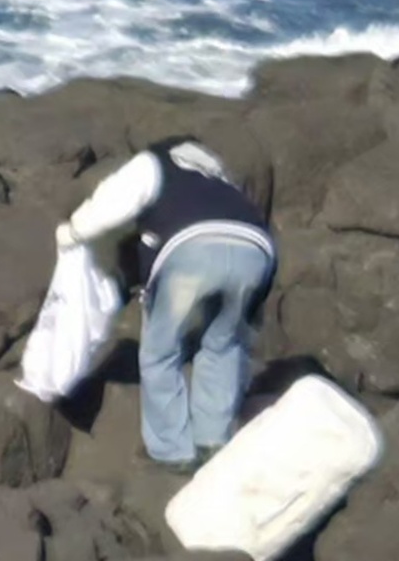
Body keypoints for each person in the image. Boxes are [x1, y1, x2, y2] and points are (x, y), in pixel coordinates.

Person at [61, 141, 284, 466]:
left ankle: (171, 452)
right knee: (223, 344)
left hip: (191, 250)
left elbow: (111, 201)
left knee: (161, 352)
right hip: (255, 250)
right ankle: (214, 442)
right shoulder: (220, 179)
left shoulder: (154, 165)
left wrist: (73, 232)